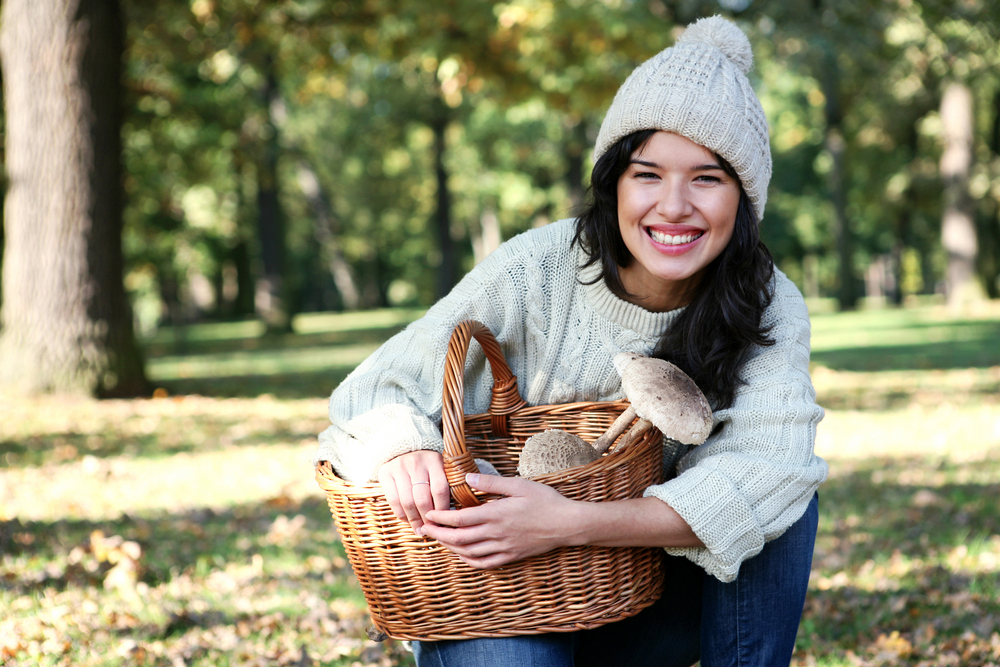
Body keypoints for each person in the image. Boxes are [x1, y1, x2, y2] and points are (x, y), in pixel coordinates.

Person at [316, 14, 828, 667]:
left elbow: (771, 466)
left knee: (779, 508)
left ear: (744, 198)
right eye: (647, 174)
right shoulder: (539, 267)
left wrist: (569, 520)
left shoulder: (768, 300)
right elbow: (375, 386)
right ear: (613, 181)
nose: (674, 205)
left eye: (707, 177)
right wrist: (403, 446)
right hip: (500, 596)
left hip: (640, 600)